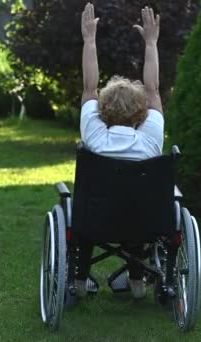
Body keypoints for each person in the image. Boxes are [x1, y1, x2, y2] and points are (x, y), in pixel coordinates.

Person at [75, 3, 164, 299]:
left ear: (102, 110)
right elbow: (152, 90)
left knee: (86, 206)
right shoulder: (151, 139)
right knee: (135, 205)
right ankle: (137, 281)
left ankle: (78, 279)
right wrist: (151, 43)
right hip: (144, 223)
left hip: (94, 222)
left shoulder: (94, 136)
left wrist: (89, 40)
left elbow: (90, 87)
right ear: (141, 113)